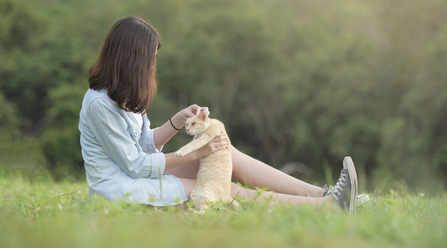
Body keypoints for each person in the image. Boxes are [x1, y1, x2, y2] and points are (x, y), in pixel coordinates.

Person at [79, 16, 367, 212]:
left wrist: (176, 122)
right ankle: (328, 207)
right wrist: (196, 154)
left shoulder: (125, 97)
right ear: (132, 60)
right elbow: (134, 165)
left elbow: (145, 144)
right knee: (220, 185)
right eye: (150, 60)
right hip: (121, 193)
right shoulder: (99, 105)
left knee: (225, 154)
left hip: (139, 178)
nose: (153, 67)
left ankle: (322, 194)